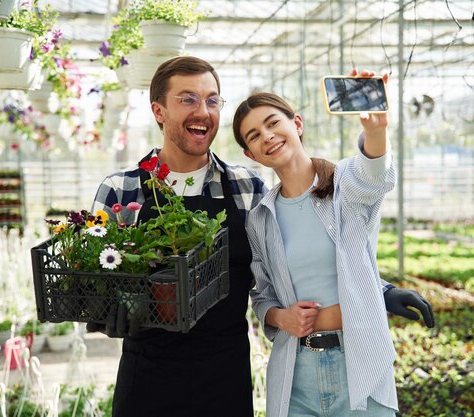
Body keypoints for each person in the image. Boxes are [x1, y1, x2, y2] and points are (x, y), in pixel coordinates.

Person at [90, 56, 433, 417]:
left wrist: (382, 291)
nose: (202, 111)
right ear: (158, 111)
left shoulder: (247, 188)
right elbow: (93, 281)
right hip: (147, 374)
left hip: (224, 375)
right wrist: (105, 310)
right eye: (187, 99)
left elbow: (300, 263)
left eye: (211, 100)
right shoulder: (120, 190)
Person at [232, 71, 425, 417]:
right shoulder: (260, 219)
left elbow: (374, 175)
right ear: (252, 155)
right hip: (296, 378)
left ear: (298, 123)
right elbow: (262, 294)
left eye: (273, 123)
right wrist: (280, 316)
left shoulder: (343, 188)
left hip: (359, 369)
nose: (268, 137)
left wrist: (375, 130)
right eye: (255, 136)